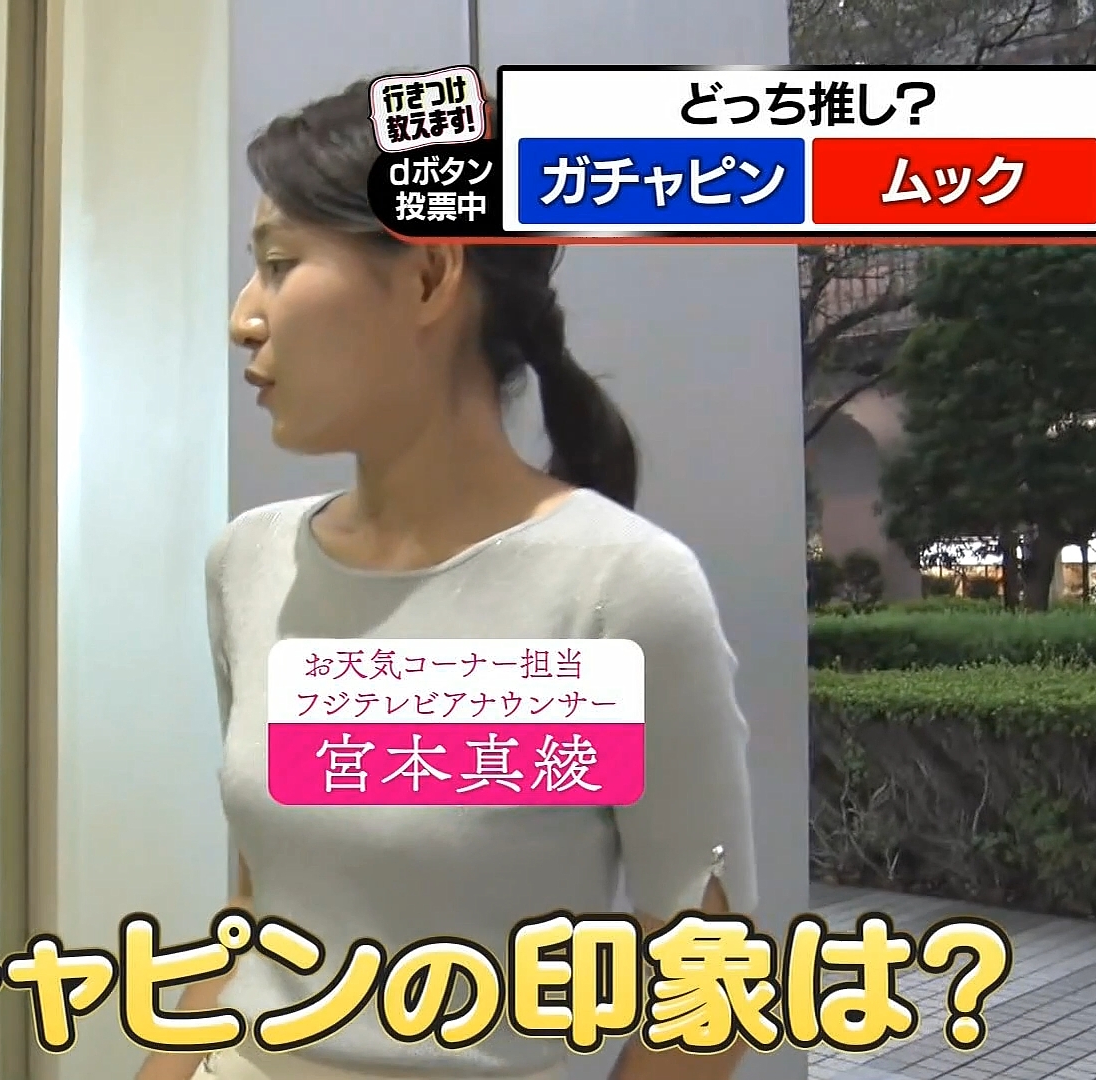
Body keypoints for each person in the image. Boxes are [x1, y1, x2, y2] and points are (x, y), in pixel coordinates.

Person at [136, 78, 759, 1080]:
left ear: (429, 274)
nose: (244, 318)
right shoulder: (248, 563)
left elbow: (707, 988)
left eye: (280, 265)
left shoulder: (620, 590)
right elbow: (256, 908)